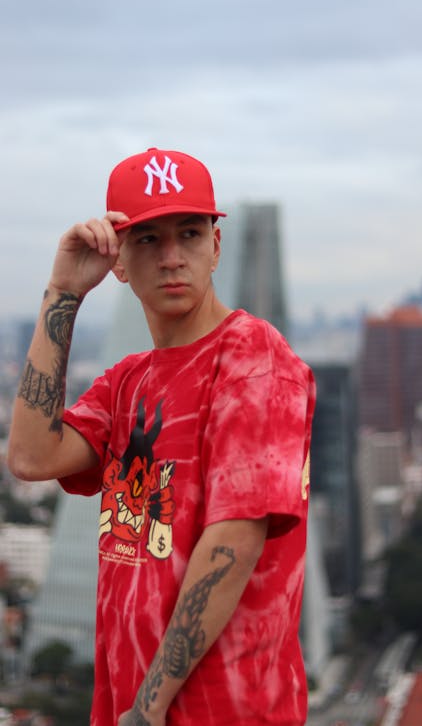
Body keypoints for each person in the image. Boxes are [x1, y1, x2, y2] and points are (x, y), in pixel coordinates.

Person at [7, 148, 316, 726]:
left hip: (222, 710)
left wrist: (149, 708)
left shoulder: (252, 358)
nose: (173, 257)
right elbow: (29, 456)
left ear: (216, 248)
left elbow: (235, 539)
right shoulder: (129, 381)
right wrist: (64, 291)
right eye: (148, 239)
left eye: (190, 234)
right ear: (117, 261)